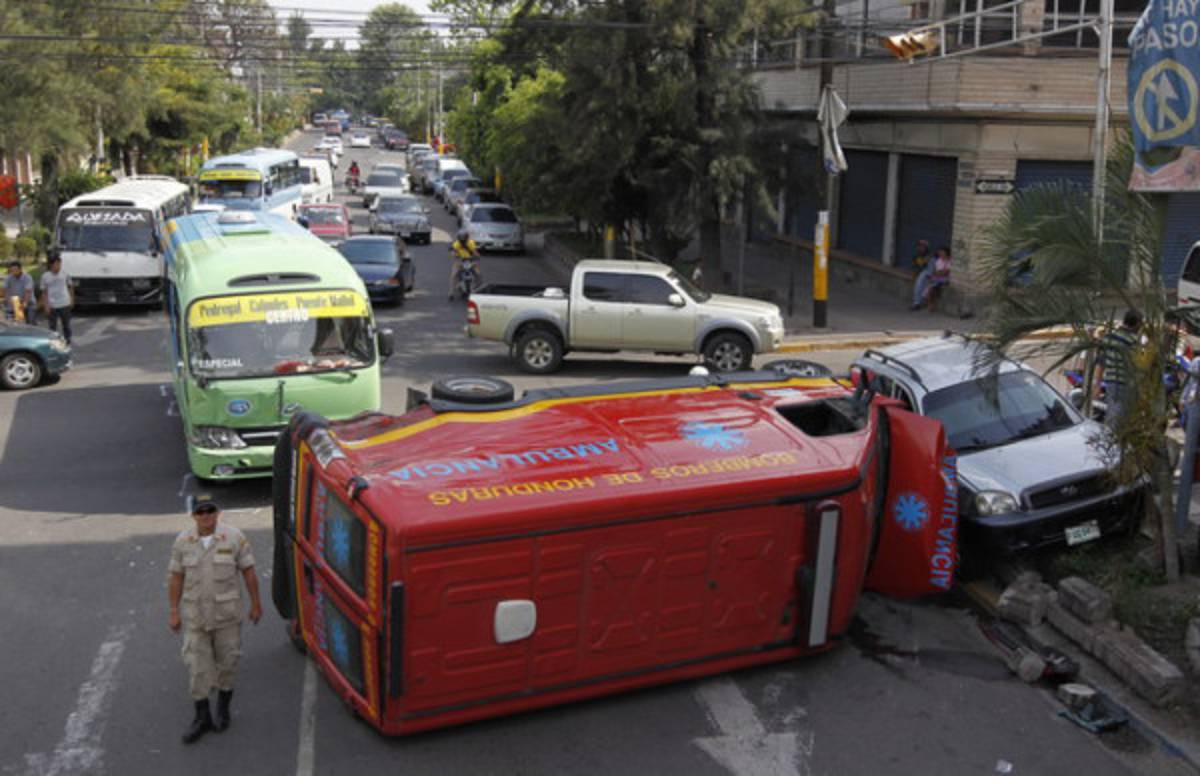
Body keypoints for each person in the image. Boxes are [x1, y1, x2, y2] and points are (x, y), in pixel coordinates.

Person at [168, 496, 263, 744]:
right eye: (201, 511)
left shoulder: (234, 537)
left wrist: (256, 604)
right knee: (198, 668)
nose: (206, 515)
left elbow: (248, 571)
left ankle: (223, 709)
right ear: (194, 515)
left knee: (228, 663)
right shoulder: (183, 541)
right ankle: (202, 717)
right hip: (195, 618)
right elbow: (176, 577)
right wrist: (174, 611)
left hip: (226, 617)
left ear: (217, 512)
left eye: (210, 510)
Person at [1096, 309, 1143, 426]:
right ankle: (1114, 440)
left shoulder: (1108, 337)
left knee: (1113, 413)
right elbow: (1137, 366)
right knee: (1121, 418)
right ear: (1137, 324)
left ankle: (1110, 439)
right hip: (1125, 384)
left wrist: (1097, 384)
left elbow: (1100, 363)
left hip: (1110, 383)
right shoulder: (1133, 341)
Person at [40, 256, 74, 343]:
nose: (58, 266)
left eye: (59, 264)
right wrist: (46, 305)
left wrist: (72, 299)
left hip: (64, 303)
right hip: (52, 305)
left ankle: (68, 339)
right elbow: (44, 292)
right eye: (56, 264)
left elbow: (70, 287)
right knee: (52, 326)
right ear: (51, 265)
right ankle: (54, 341)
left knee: (66, 325)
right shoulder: (45, 276)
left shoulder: (65, 274)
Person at [912, 246, 951, 311]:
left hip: (944, 278)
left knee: (930, 284)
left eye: (942, 252)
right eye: (940, 253)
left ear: (946, 253)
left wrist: (938, 274)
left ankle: (925, 303)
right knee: (927, 284)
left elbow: (945, 272)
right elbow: (938, 271)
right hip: (937, 278)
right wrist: (937, 274)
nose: (941, 254)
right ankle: (924, 303)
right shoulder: (938, 260)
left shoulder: (949, 261)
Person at [448, 229, 481, 301]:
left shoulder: (471, 243)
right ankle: (451, 293)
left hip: (471, 261)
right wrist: (455, 255)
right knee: (454, 275)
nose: (462, 240)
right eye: (461, 238)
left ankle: (477, 288)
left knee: (478, 274)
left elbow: (476, 253)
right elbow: (453, 251)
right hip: (460, 262)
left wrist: (476, 257)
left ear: (467, 238)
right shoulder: (456, 244)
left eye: (464, 238)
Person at [4, 261, 36, 325]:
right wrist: (8, 300)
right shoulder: (9, 278)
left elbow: (28, 291)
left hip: (29, 303)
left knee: (30, 323)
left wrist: (25, 303)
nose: (13, 272)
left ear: (20, 269)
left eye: (15, 270)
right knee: (19, 324)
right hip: (17, 303)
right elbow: (6, 290)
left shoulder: (27, 277)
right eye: (12, 270)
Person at [908, 239, 932, 310]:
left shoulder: (929, 255)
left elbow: (929, 266)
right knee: (919, 283)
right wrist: (914, 275)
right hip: (923, 273)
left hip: (930, 272)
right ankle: (917, 303)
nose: (921, 248)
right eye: (919, 246)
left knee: (921, 281)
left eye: (923, 247)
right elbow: (917, 267)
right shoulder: (916, 256)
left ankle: (919, 303)